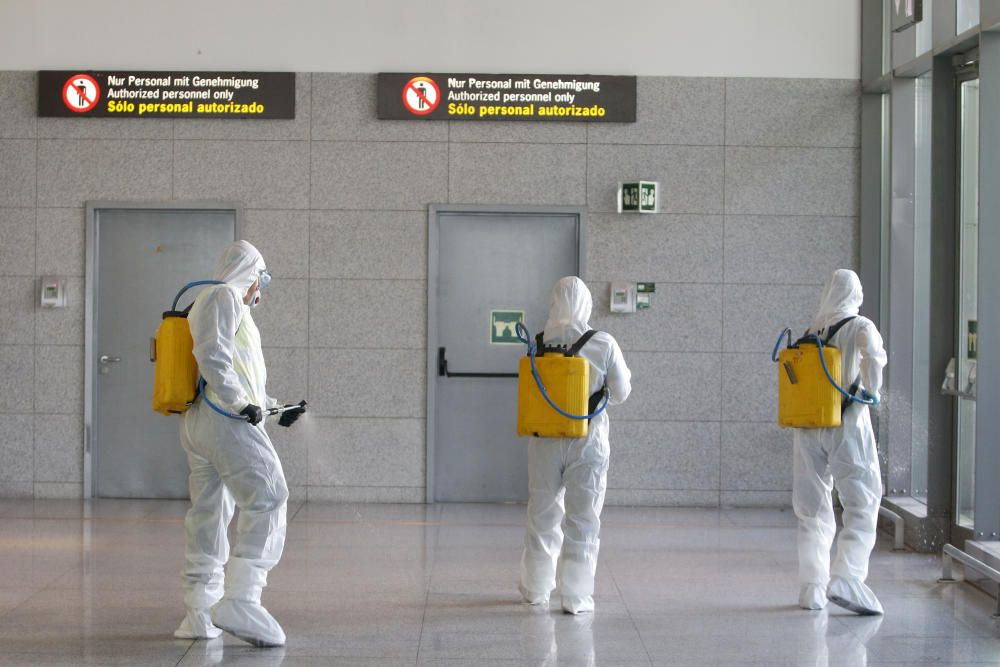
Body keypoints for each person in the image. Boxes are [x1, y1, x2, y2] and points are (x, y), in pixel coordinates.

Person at [174, 240, 305, 647]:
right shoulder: (223, 296)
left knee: (211, 511)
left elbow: (239, 372)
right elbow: (213, 358)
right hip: (221, 417)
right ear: (250, 272)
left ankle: (200, 610)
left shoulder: (226, 305)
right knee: (269, 495)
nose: (261, 288)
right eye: (261, 277)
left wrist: (271, 407)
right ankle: (242, 601)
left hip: (206, 418)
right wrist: (238, 403)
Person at [520, 276, 632, 614]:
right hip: (588, 441)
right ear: (586, 304)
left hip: (544, 441)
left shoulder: (538, 342)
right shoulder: (603, 343)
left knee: (542, 513)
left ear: (554, 302)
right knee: (583, 518)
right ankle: (576, 596)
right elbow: (622, 392)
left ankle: (536, 589)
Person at [793, 269, 887, 615]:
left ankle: (811, 589)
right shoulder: (860, 326)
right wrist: (871, 391)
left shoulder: (811, 331)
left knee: (812, 509)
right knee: (862, 501)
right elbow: (874, 359)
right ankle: (848, 576)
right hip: (847, 423)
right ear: (855, 293)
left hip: (807, 427)